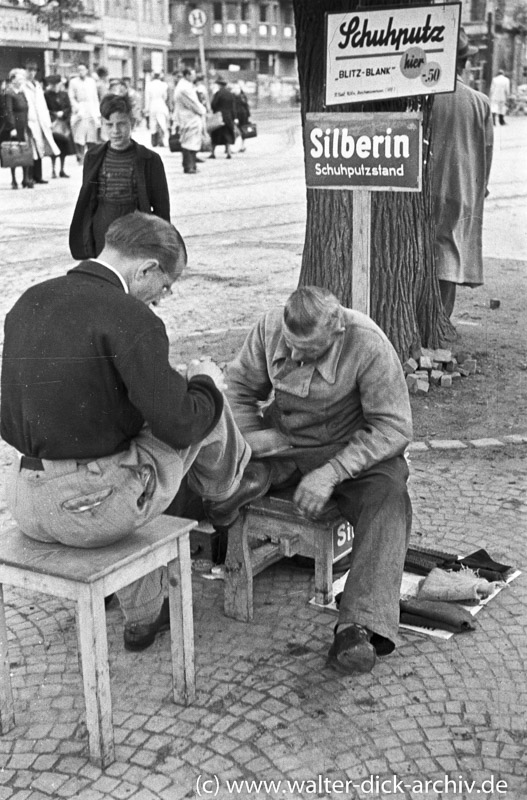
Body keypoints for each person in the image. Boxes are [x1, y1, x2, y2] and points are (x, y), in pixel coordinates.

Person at [1, 212, 271, 652]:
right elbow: (181, 425)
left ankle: (145, 615)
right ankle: (228, 488)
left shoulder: (30, 299)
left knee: (125, 451)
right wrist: (204, 381)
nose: (163, 298)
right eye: (166, 285)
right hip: (89, 508)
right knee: (203, 400)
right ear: (146, 267)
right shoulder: (130, 316)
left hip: (25, 498)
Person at [225, 286, 413, 675]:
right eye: (291, 347)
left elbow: (393, 428)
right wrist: (252, 440)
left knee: (390, 498)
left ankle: (357, 627)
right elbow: (239, 389)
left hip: (351, 455)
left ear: (337, 330)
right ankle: (151, 575)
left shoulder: (368, 344)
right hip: (286, 446)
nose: (294, 356)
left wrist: (332, 471)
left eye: (307, 352)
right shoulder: (269, 327)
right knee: (212, 465)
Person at [430, 28, 493, 318]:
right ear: (464, 63)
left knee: (425, 250)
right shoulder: (480, 102)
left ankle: (424, 319)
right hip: (464, 189)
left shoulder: (425, 97)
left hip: (427, 187)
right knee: (450, 251)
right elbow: (487, 152)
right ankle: (441, 319)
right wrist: (480, 189)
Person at [69, 93, 170, 260]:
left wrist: (162, 244)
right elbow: (89, 200)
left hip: (135, 228)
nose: (115, 131)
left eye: (121, 124)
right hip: (103, 228)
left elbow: (162, 208)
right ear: (102, 124)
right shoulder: (93, 157)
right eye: (109, 125)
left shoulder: (150, 160)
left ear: (133, 123)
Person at [22, 61, 60, 184]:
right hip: (30, 120)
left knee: (40, 147)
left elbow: (42, 104)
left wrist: (47, 120)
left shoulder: (37, 85)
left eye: (34, 71)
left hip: (40, 120)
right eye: (29, 70)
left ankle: (38, 175)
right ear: (25, 71)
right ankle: (29, 177)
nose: (32, 73)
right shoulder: (23, 85)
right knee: (31, 148)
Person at [173, 67, 206, 174]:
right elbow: (193, 103)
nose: (194, 76)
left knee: (192, 141)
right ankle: (189, 166)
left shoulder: (185, 86)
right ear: (187, 75)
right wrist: (202, 110)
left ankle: (192, 164)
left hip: (188, 117)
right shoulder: (184, 88)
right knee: (189, 142)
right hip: (188, 117)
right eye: (192, 74)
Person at [4, 68, 32, 189]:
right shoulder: (8, 93)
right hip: (15, 126)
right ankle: (14, 179)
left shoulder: (21, 92)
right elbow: (8, 111)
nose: (21, 81)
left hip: (24, 125)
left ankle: (25, 178)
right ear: (13, 79)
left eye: (22, 79)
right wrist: (12, 127)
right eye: (19, 78)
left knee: (25, 151)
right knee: (14, 152)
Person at [68, 63, 100, 162]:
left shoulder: (91, 81)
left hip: (91, 109)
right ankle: (80, 156)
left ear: (87, 70)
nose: (81, 72)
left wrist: (97, 111)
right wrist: (77, 107)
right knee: (79, 134)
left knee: (91, 134)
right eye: (79, 70)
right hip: (80, 108)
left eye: (83, 69)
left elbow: (95, 97)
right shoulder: (73, 82)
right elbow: (71, 96)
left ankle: (91, 156)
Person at [44, 74, 74, 178]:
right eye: (53, 84)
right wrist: (54, 114)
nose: (55, 86)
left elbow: (69, 107)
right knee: (54, 147)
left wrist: (64, 113)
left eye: (57, 84)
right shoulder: (47, 95)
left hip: (64, 123)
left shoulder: (64, 94)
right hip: (53, 123)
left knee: (64, 147)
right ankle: (53, 170)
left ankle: (62, 169)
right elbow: (45, 109)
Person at [210, 77, 236, 159]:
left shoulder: (218, 93)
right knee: (227, 134)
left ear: (219, 85)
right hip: (228, 117)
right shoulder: (230, 94)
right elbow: (233, 107)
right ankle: (228, 152)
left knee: (215, 134)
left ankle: (213, 153)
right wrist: (234, 117)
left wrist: (215, 111)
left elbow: (213, 104)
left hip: (219, 116)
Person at [144, 72, 169, 147]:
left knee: (153, 123)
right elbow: (165, 96)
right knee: (162, 122)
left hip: (152, 105)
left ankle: (154, 141)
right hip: (161, 104)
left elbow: (147, 98)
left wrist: (147, 109)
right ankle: (161, 140)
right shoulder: (164, 85)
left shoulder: (149, 85)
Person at [232, 81, 251, 153]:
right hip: (242, 115)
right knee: (241, 130)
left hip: (241, 116)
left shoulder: (238, 97)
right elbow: (246, 106)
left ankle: (240, 146)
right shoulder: (242, 96)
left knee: (239, 130)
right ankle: (241, 146)